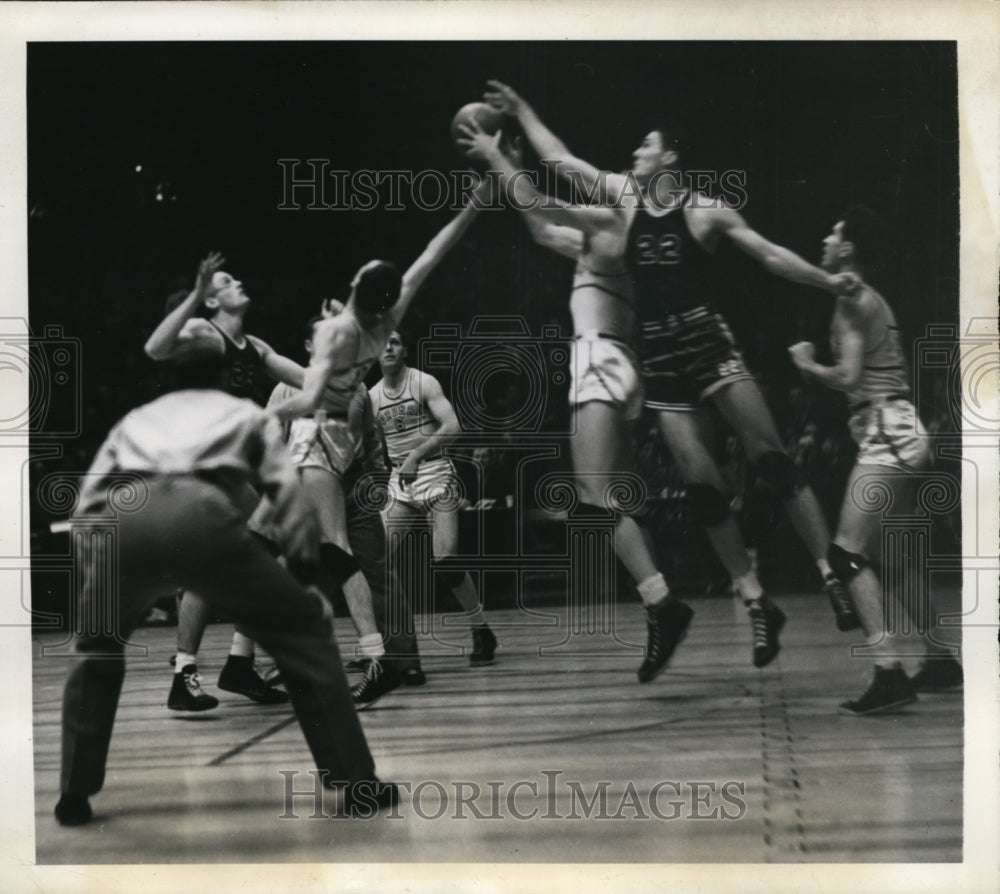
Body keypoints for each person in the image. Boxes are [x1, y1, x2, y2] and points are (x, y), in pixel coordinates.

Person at [461, 82, 859, 670]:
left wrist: (827, 283)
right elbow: (559, 166)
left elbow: (770, 255)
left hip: (687, 339)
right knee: (701, 492)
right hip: (656, 355)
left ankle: (827, 573)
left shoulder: (691, 209)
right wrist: (523, 114)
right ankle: (750, 598)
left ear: (670, 156)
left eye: (645, 145)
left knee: (768, 460)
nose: (634, 152)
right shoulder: (622, 200)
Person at [54, 349, 396, 827]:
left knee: (95, 653)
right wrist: (304, 575)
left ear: (169, 376)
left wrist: (97, 569)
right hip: (200, 513)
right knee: (305, 637)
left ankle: (74, 792)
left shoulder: (137, 417)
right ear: (222, 376)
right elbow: (285, 492)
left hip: (121, 517)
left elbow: (88, 500)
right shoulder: (243, 413)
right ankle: (356, 783)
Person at [269, 181, 490, 705]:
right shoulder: (383, 324)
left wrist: (247, 420)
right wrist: (475, 205)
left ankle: (381, 657)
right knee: (343, 563)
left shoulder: (337, 338)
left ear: (352, 284)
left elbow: (311, 397)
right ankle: (365, 656)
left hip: (332, 446)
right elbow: (432, 256)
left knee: (329, 559)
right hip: (352, 450)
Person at [788, 206, 963, 714]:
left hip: (886, 432)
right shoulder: (869, 297)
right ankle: (939, 659)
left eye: (833, 232)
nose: (825, 236)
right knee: (897, 558)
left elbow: (846, 377)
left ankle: (887, 671)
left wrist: (806, 365)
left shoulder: (851, 301)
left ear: (847, 250)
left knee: (845, 553)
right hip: (903, 428)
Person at [144, 253, 300, 710]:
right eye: (228, 280)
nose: (240, 281)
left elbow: (313, 383)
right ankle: (186, 673)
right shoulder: (202, 332)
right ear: (211, 299)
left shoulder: (254, 345)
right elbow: (155, 348)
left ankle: (238, 664)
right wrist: (194, 292)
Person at [261, 311, 425, 705]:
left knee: (377, 572)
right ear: (307, 347)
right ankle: (288, 661)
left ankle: (403, 660)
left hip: (353, 490)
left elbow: (371, 439)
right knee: (298, 579)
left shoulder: (357, 388)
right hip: (306, 490)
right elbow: (273, 445)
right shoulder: (287, 388)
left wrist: (372, 480)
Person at [370, 330, 499, 667]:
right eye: (383, 342)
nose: (388, 347)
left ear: (404, 349)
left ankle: (480, 629)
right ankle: (378, 645)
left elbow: (453, 427)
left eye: (395, 341)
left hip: (435, 472)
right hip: (400, 479)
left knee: (446, 560)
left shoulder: (423, 382)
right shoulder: (371, 397)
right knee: (374, 562)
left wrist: (415, 455)